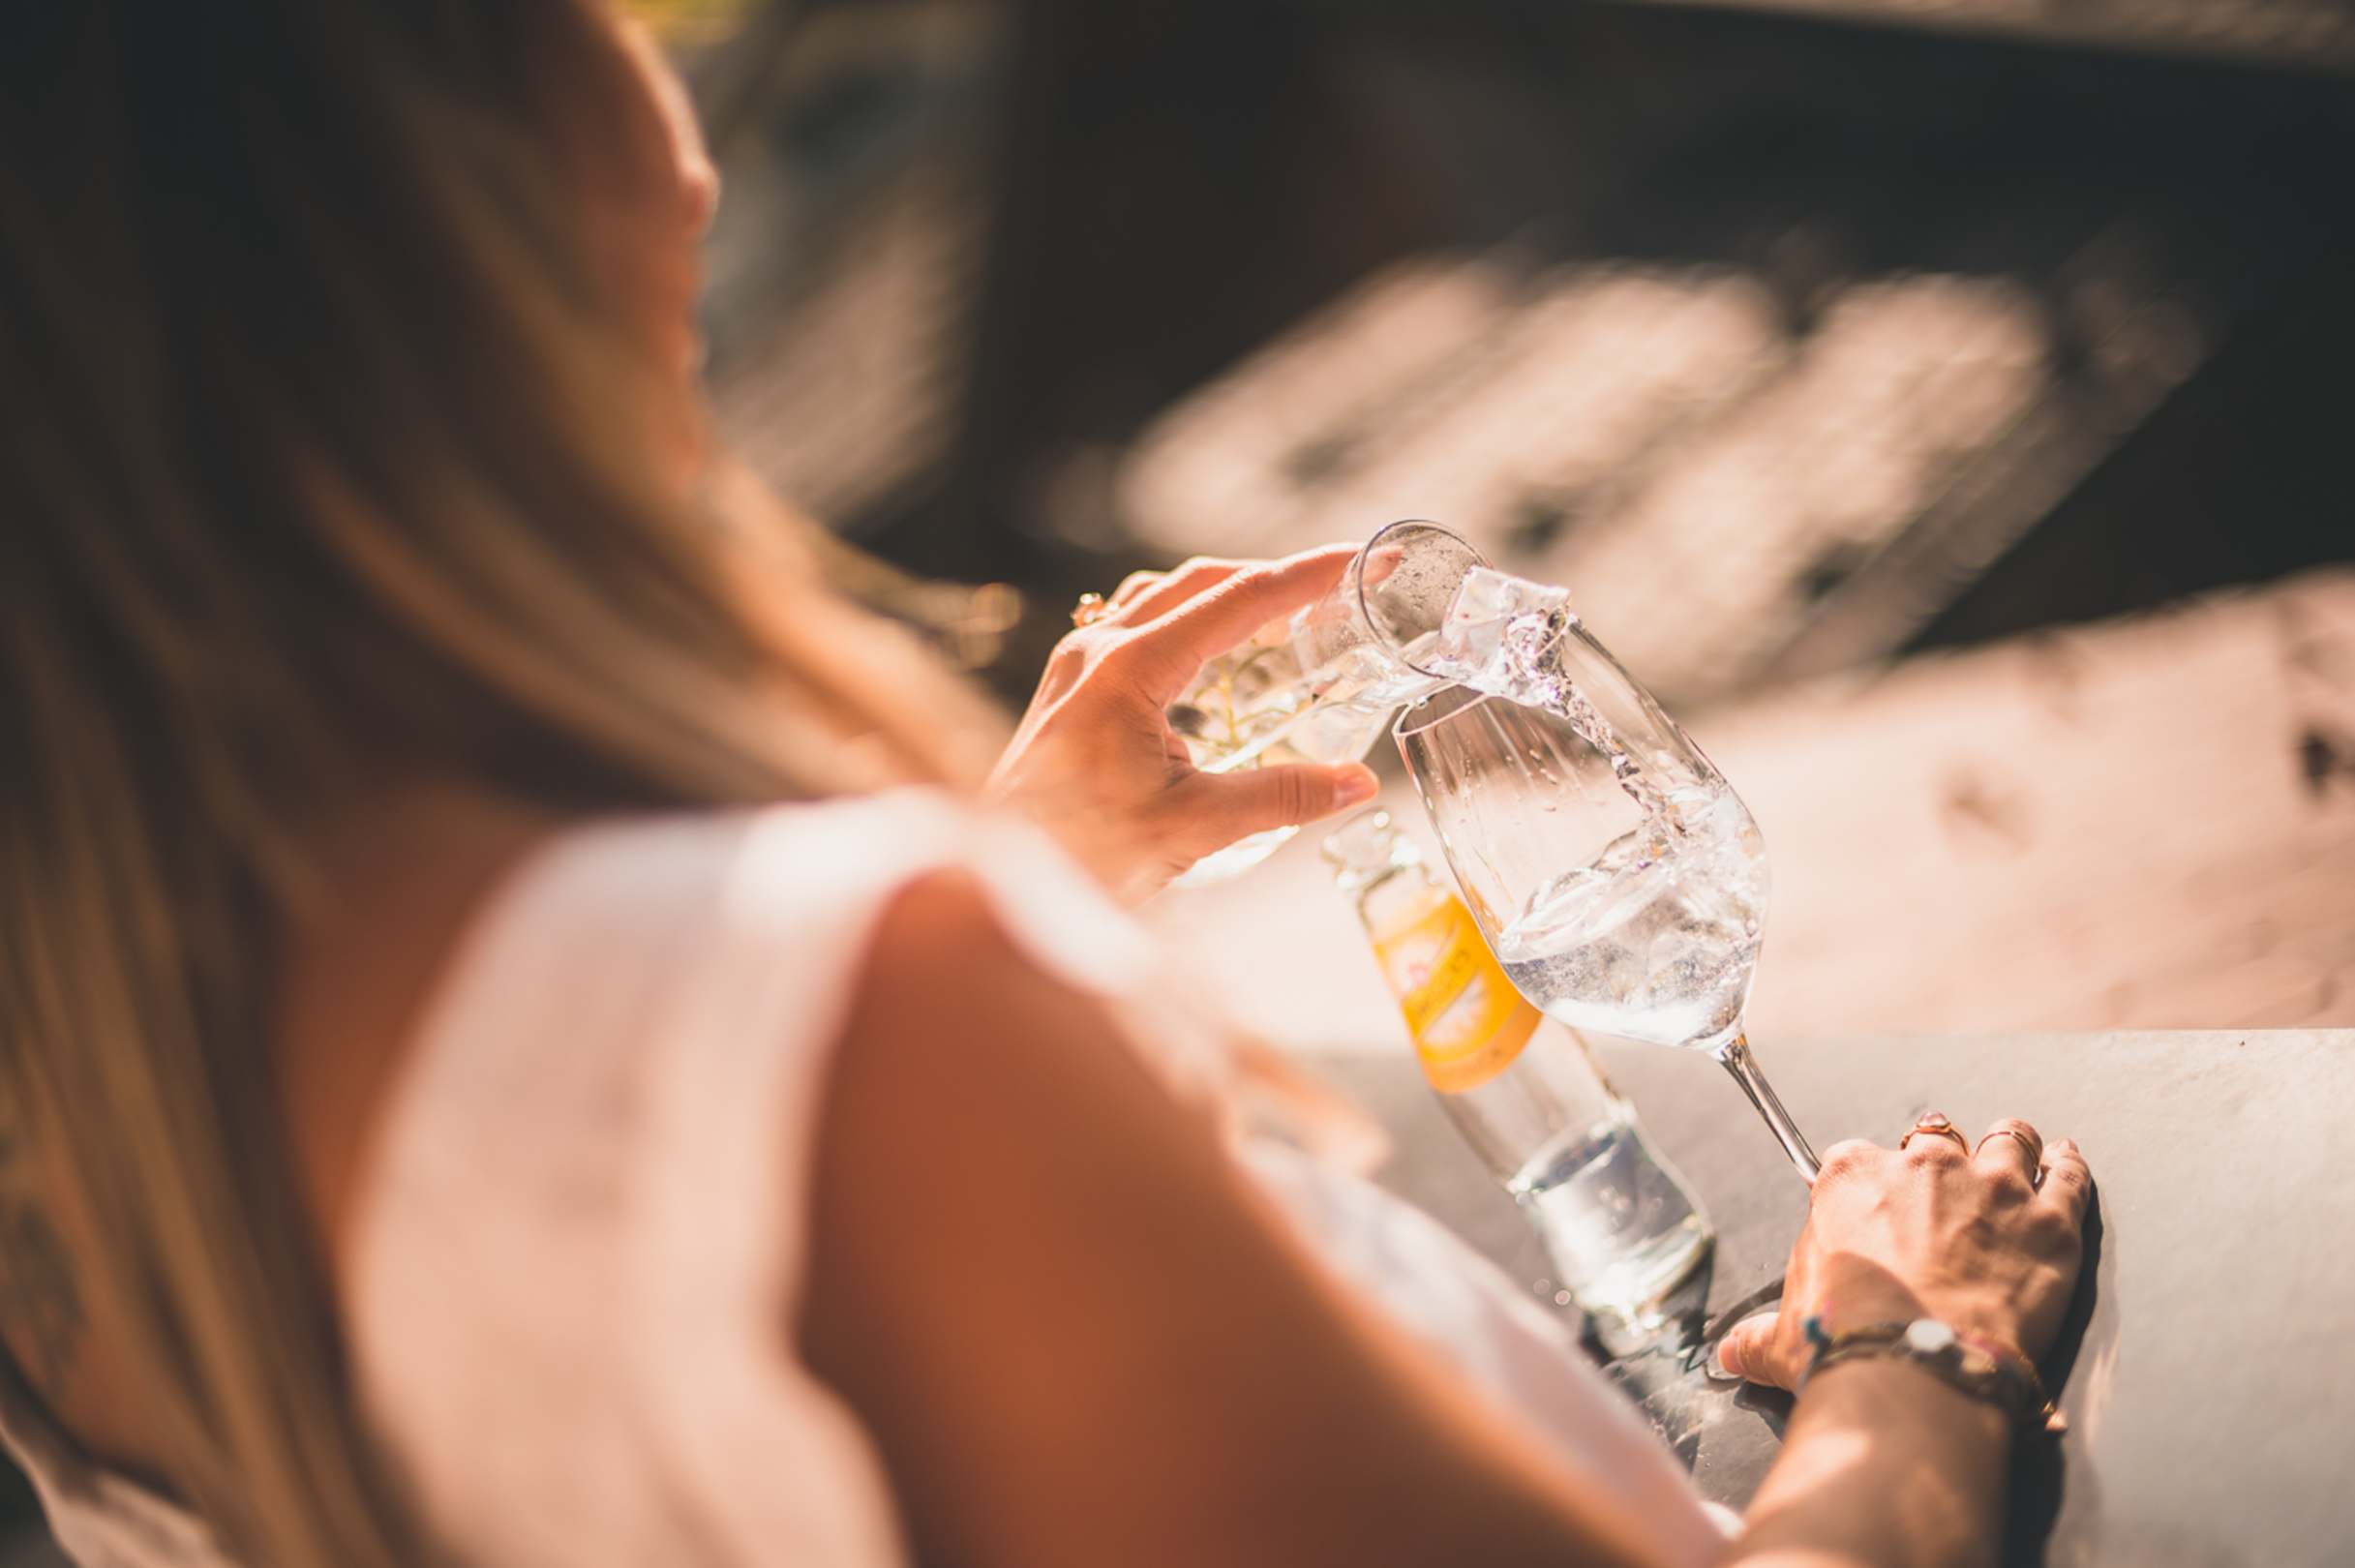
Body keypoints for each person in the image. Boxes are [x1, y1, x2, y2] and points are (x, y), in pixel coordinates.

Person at [0, 3, 2094, 1566]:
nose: (673, 131)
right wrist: (1915, 1354)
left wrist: (992, 889)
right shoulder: (864, 1023)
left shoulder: (73, 1101)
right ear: (418, 230)